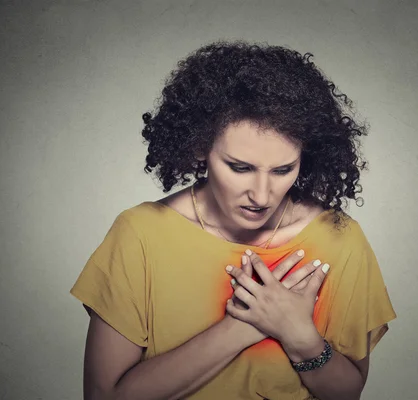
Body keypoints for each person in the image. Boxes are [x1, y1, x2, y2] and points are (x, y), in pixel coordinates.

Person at [70, 40, 397, 400]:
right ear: (199, 148)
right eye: (240, 168)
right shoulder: (141, 235)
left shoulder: (338, 239)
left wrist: (298, 335)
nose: (261, 195)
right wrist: (243, 326)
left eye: (283, 170)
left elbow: (346, 393)